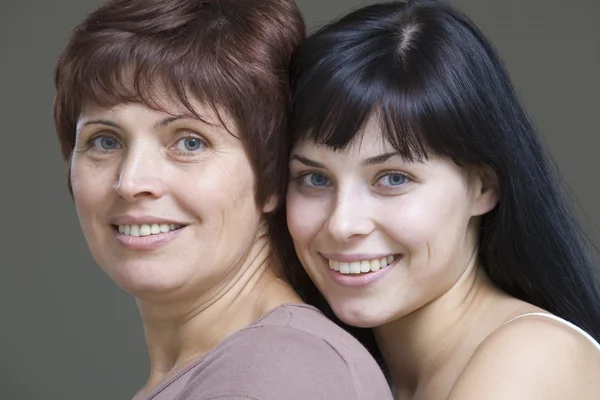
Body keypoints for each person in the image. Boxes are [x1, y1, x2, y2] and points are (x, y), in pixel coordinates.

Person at [53, 1, 394, 399]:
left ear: (271, 179)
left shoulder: (276, 371)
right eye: (105, 141)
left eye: (190, 142)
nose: (130, 182)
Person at [282, 0, 600, 398]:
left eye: (393, 178)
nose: (342, 224)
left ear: (483, 186)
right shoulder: (357, 372)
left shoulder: (533, 358)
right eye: (314, 178)